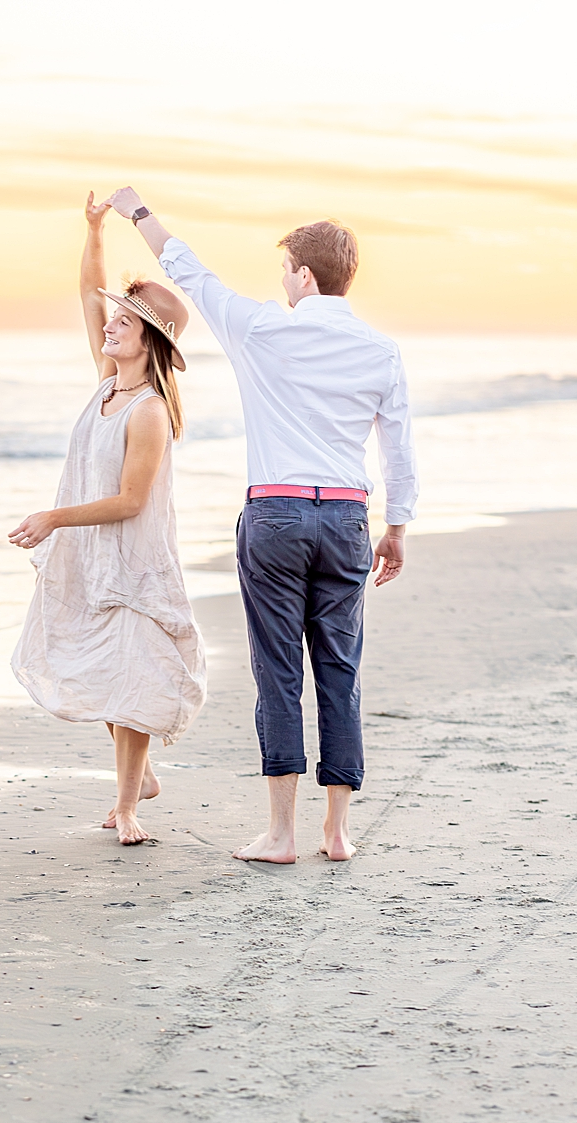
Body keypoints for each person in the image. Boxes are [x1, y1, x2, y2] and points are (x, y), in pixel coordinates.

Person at [104, 186, 417, 864]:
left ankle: (282, 833)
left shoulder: (260, 327)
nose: (282, 281)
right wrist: (397, 525)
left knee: (278, 672)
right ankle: (337, 831)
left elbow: (187, 270)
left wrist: (137, 213)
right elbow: (398, 446)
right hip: (344, 517)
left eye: (285, 270)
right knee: (340, 670)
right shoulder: (380, 349)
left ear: (305, 274)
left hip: (275, 515)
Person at [9, 191, 207, 846]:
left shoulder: (148, 409)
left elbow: (130, 499)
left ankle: (127, 803)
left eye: (124, 322)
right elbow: (90, 291)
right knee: (92, 665)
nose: (109, 325)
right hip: (93, 558)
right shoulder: (106, 381)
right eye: (113, 319)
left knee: (129, 676)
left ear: (147, 336)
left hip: (133, 558)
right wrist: (93, 230)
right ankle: (139, 772)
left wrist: (54, 516)